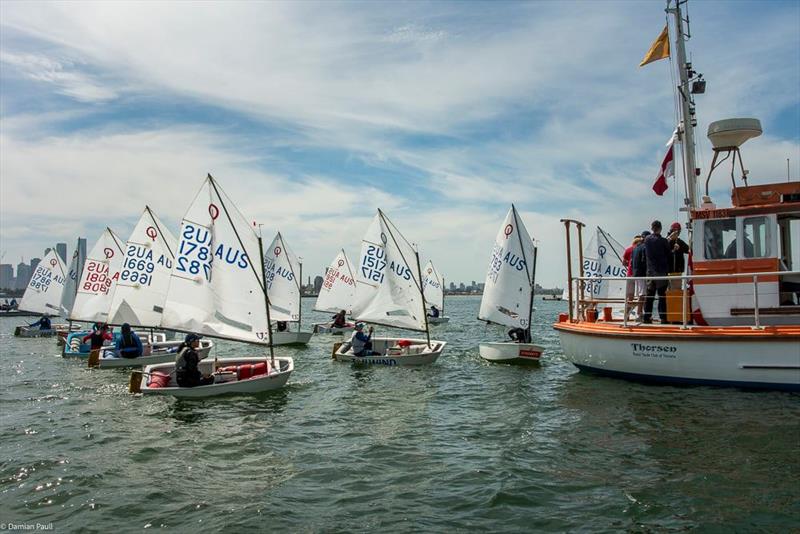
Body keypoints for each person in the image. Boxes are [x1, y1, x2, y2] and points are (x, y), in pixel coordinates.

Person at [643, 220, 671, 324]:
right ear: (660, 228)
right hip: (661, 272)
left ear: (652, 228)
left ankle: (646, 317)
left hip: (650, 272)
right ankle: (663, 318)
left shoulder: (647, 240)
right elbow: (668, 254)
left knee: (649, 296)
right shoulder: (663, 241)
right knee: (662, 296)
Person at [630, 231, 650, 320]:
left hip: (636, 274)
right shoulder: (645, 247)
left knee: (640, 294)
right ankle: (639, 313)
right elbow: (645, 260)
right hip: (642, 274)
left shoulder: (635, 248)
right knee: (642, 294)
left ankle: (639, 313)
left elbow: (632, 261)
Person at [623, 235, 643, 320]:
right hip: (638, 274)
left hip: (630, 274)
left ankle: (626, 315)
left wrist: (629, 266)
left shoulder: (628, 250)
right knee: (640, 295)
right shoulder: (641, 249)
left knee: (629, 296)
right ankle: (639, 313)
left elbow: (624, 262)